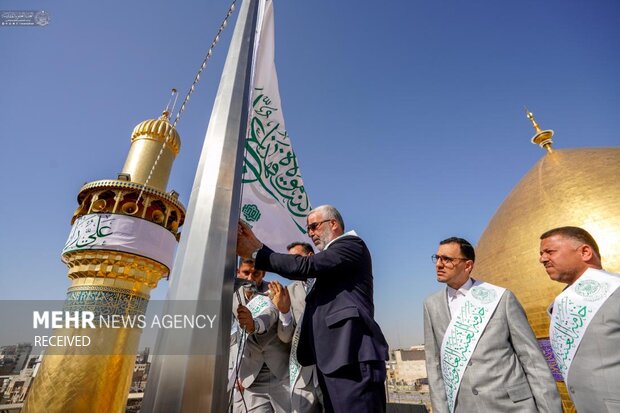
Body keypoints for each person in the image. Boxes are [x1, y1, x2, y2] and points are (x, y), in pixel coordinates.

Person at [237, 205, 388, 413]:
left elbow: (305, 267)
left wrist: (257, 250)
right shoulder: (326, 271)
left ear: (333, 224)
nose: (310, 233)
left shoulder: (350, 245)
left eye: (314, 226)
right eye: (308, 229)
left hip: (352, 357)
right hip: (331, 363)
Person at [423, 237, 561, 413]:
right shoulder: (431, 305)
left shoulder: (501, 298)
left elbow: (532, 359)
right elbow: (434, 366)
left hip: (512, 406)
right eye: (437, 258)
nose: (439, 264)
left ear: (467, 265)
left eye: (447, 259)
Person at [539, 226, 620, 412]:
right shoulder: (564, 301)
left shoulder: (615, 289)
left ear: (585, 252)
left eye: (549, 251)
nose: (542, 259)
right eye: (541, 253)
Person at [269, 242, 324, 413]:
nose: (293, 264)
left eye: (296, 259)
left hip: (331, 370)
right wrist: (284, 312)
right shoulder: (287, 293)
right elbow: (285, 337)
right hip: (302, 375)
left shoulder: (331, 282)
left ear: (310, 257)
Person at [230, 259, 290, 413]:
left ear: (263, 274)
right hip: (250, 376)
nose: (250, 278)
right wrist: (233, 373)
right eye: (246, 273)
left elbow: (270, 314)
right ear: (238, 272)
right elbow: (229, 338)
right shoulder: (230, 296)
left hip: (280, 373)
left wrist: (253, 324)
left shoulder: (273, 291)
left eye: (255, 273)